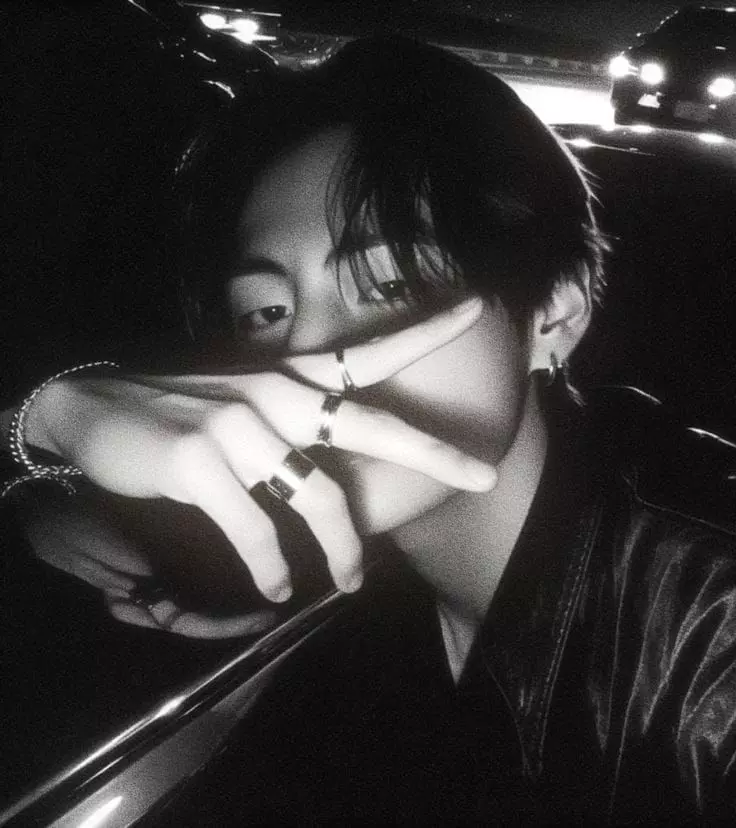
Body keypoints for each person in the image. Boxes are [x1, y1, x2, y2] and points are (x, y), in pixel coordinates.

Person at [3, 36, 736, 823]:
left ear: (553, 315)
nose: (307, 361)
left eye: (387, 286)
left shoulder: (709, 628)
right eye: (267, 312)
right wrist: (49, 422)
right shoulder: (333, 579)